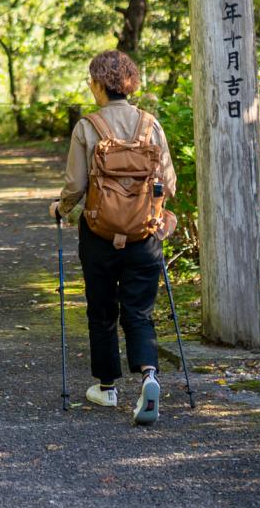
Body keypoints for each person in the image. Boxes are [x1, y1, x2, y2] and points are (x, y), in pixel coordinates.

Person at [50, 50, 179, 425]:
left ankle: (106, 387)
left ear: (97, 84)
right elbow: (167, 183)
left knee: (102, 310)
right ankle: (149, 375)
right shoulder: (150, 125)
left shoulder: (87, 127)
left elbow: (74, 187)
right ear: (130, 83)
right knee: (139, 311)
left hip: (99, 234)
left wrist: (60, 210)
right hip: (144, 234)